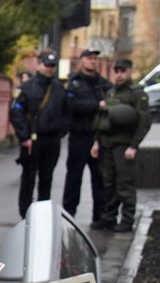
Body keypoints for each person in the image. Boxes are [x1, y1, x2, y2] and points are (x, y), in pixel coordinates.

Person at [91, 59, 152, 233]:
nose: (118, 75)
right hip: (107, 145)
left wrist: (134, 146)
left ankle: (127, 220)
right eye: (116, 71)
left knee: (125, 184)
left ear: (129, 72)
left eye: (122, 71)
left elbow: (144, 122)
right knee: (108, 183)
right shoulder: (110, 93)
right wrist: (97, 142)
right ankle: (108, 218)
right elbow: (102, 120)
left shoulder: (136, 94)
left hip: (124, 146)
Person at [9, 52, 70, 219]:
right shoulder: (27, 88)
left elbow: (66, 112)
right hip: (32, 140)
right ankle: (25, 214)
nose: (50, 69)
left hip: (52, 140)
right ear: (39, 65)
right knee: (28, 178)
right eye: (47, 65)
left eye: (52, 66)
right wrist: (24, 137)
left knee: (46, 178)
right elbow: (16, 112)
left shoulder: (59, 89)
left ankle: (42, 215)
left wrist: (61, 130)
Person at [62, 49, 112, 226]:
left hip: (98, 137)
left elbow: (112, 104)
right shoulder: (73, 83)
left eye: (94, 59)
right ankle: (68, 216)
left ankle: (99, 216)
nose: (92, 61)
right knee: (74, 177)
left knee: (99, 178)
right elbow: (71, 106)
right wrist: (96, 105)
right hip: (79, 136)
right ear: (81, 61)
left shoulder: (103, 84)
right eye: (89, 58)